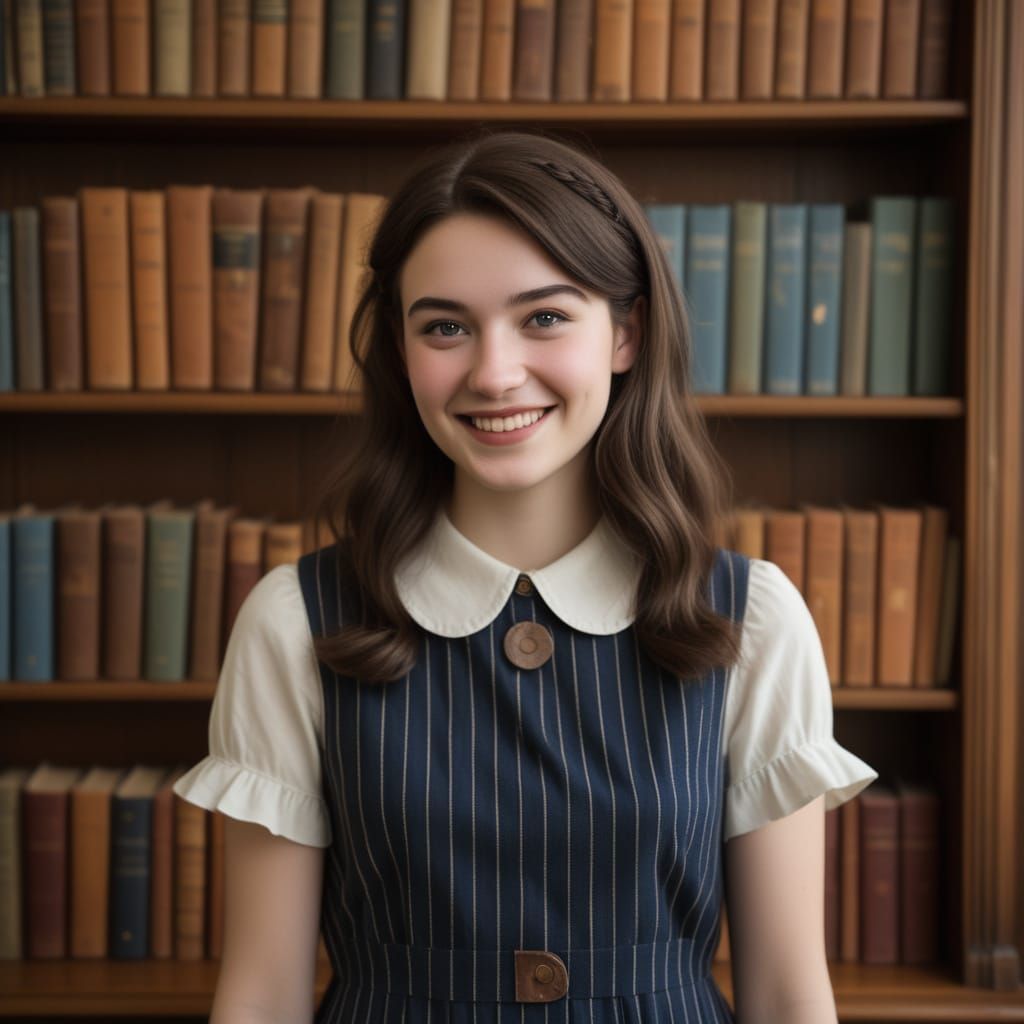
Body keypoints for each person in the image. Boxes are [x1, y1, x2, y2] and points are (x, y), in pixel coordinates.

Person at [173, 128, 878, 1024]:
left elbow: (785, 995)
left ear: (624, 334)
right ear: (398, 351)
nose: (495, 373)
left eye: (544, 317)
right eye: (444, 327)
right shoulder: (296, 620)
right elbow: (264, 995)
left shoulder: (751, 616)